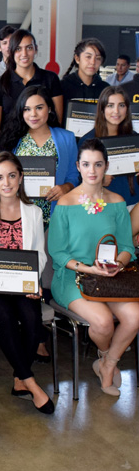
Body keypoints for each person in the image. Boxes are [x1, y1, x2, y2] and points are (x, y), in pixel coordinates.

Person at [49, 139, 139, 397]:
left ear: (106, 166)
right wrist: (90, 269)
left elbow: (126, 246)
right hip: (72, 277)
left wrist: (117, 264)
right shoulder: (65, 204)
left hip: (111, 276)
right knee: (102, 324)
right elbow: (58, 253)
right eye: (86, 164)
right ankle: (104, 355)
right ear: (78, 166)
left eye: (98, 164)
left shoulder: (117, 202)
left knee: (134, 317)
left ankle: (107, 363)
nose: (92, 170)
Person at [0, 153, 52, 413]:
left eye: (12, 176)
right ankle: (31, 382)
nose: (6, 183)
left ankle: (19, 379)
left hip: (21, 282)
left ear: (21, 177)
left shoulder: (34, 212)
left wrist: (33, 282)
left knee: (31, 317)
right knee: (5, 318)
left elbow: (39, 254)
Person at [0, 86, 78, 227]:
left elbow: (73, 175)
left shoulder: (67, 138)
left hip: (55, 215)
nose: (33, 114)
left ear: (49, 108)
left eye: (39, 108)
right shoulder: (10, 139)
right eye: (27, 109)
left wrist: (66, 187)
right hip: (19, 215)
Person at [80, 85, 139, 206]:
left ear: (127, 109)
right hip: (102, 205)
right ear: (102, 108)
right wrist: (99, 180)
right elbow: (78, 179)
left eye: (121, 105)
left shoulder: (135, 138)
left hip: (133, 203)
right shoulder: (87, 141)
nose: (116, 111)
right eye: (110, 105)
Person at [0, 30, 63, 127]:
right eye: (18, 49)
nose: (24, 54)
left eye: (29, 48)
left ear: (35, 50)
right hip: (10, 140)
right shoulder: (0, 84)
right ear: (11, 52)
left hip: (43, 140)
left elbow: (58, 121)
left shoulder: (51, 79)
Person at [58, 38, 107, 122]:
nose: (92, 62)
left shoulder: (105, 89)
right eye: (88, 57)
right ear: (77, 59)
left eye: (98, 58)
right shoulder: (62, 87)